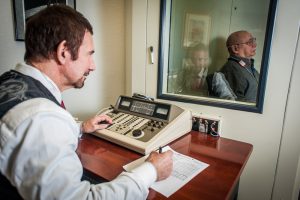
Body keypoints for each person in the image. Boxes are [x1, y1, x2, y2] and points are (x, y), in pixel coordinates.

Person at [0, 5, 173, 200]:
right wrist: (151, 171)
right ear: (63, 52)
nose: (93, 66)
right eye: (89, 54)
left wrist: (81, 127)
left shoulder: (10, 81)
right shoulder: (41, 120)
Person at [220, 30, 259, 102]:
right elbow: (238, 104)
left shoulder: (249, 67)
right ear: (235, 49)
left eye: (254, 41)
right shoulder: (231, 69)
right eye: (250, 42)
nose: (254, 45)